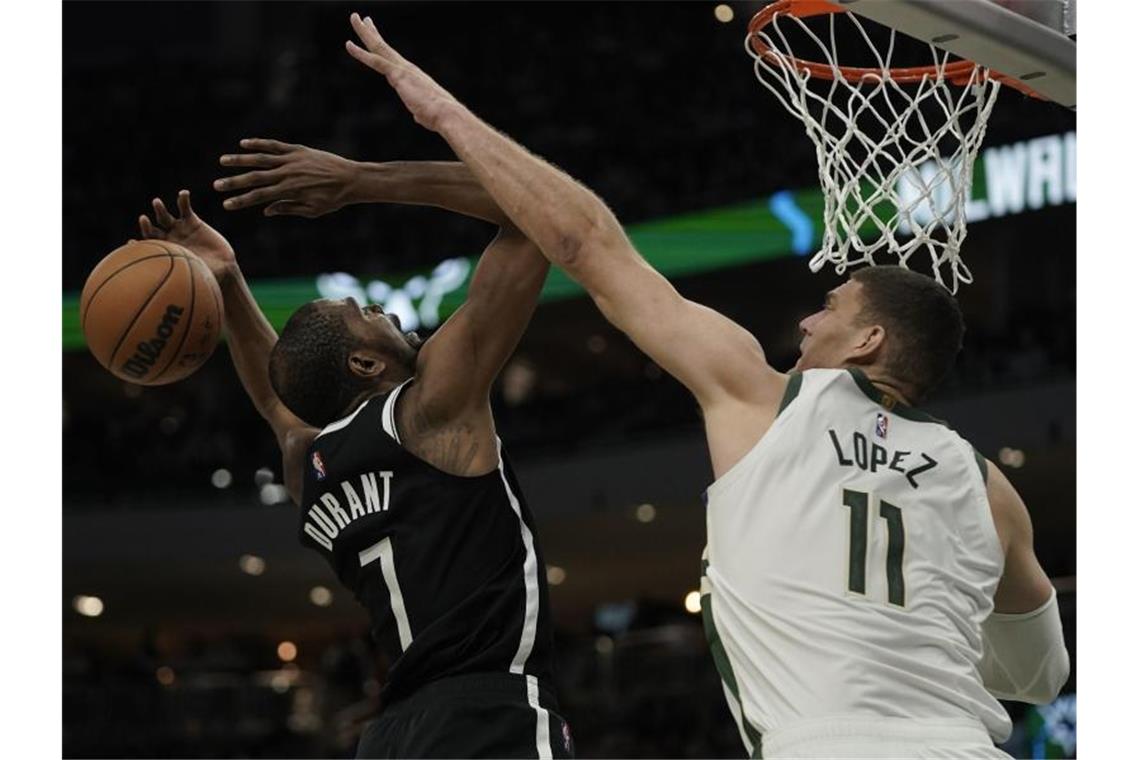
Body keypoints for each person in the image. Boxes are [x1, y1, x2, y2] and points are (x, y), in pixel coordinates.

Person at [328, 12, 1071, 758]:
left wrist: (441, 111)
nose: (807, 324)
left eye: (829, 308)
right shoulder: (986, 487)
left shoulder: (766, 401)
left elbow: (585, 243)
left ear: (868, 341)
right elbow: (1042, 674)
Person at [137, 157, 574, 758]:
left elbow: (274, 396)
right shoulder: (429, 408)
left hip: (392, 736)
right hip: (485, 715)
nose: (388, 310)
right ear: (366, 366)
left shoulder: (307, 466)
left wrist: (229, 279)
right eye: (367, 313)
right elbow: (531, 214)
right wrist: (360, 182)